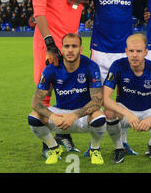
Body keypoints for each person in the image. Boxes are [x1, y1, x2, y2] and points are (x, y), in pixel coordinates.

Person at [31, 0, 94, 156]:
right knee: (45, 91)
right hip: (47, 41)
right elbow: (39, 11)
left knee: (69, 90)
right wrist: (49, 43)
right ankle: (48, 144)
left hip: (71, 41)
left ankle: (63, 136)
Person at [88, 0, 139, 155]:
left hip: (124, 52)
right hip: (100, 50)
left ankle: (123, 143)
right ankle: (94, 146)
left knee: (123, 100)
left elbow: (142, 8)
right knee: (96, 100)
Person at [27, 33, 106, 165]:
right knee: (34, 116)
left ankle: (94, 149)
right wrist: (53, 116)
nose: (70, 50)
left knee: (99, 116)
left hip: (82, 115)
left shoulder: (91, 66)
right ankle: (53, 148)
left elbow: (97, 102)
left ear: (80, 49)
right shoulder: (51, 69)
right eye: (67, 46)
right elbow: (35, 102)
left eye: (74, 46)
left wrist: (74, 116)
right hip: (60, 114)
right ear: (61, 49)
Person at [102, 34, 151, 163]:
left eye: (139, 51)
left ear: (146, 52)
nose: (134, 55)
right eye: (131, 51)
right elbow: (105, 99)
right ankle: (119, 147)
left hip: (150, 110)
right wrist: (127, 114)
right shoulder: (117, 66)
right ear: (126, 51)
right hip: (125, 110)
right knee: (108, 111)